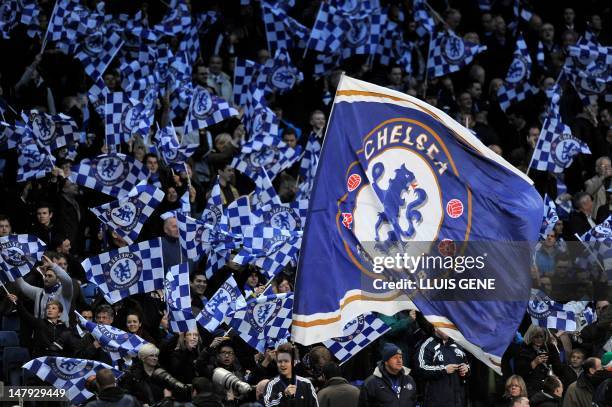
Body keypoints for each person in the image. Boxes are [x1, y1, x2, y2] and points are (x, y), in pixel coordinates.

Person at [415, 330, 470, 407]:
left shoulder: (457, 345)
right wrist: (443, 370)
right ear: (436, 327)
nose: (447, 330)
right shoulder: (427, 345)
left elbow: (467, 364)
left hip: (458, 400)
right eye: (443, 326)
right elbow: (421, 368)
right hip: (437, 401)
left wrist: (466, 369)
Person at [15, 254, 73, 323]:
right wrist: (13, 266)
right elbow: (22, 285)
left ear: (58, 279)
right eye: (45, 275)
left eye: (50, 276)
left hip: (58, 331)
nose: (46, 278)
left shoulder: (64, 292)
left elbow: (68, 281)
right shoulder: (39, 292)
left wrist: (53, 265)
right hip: (41, 331)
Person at [359, 342, 417, 407]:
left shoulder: (409, 379)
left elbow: (414, 402)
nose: (399, 360)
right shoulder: (371, 383)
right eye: (395, 357)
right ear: (386, 361)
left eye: (400, 357)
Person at [263, 342, 319, 407]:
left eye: (286, 361)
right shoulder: (272, 384)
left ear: (294, 362)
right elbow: (267, 405)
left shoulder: (306, 384)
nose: (282, 365)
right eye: (280, 361)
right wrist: (284, 396)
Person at [516, 325, 561, 396]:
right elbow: (520, 372)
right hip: (532, 388)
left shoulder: (550, 348)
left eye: (541, 336)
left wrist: (554, 350)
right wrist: (534, 363)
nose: (539, 339)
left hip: (549, 386)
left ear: (545, 337)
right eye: (536, 337)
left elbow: (559, 368)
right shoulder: (524, 350)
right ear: (531, 337)